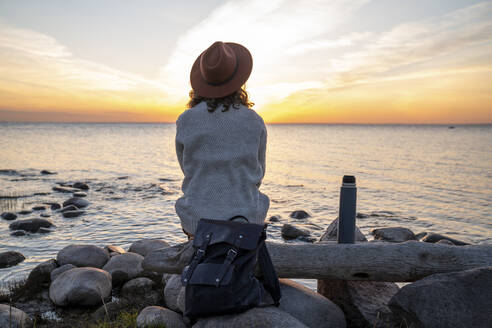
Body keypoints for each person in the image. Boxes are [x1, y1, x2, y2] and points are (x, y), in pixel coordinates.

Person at [175, 41, 269, 239]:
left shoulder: (186, 119)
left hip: (198, 221)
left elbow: (187, 168)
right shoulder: (254, 120)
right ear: (239, 82)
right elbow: (258, 173)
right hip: (245, 218)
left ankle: (198, 251)